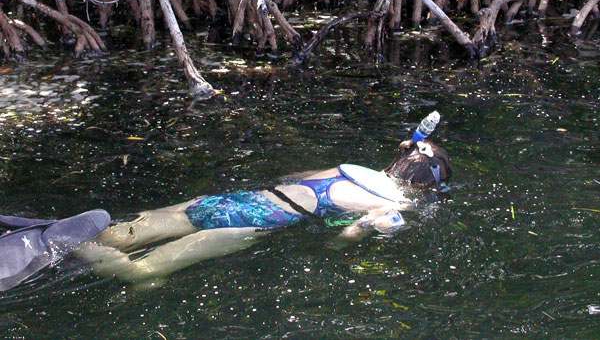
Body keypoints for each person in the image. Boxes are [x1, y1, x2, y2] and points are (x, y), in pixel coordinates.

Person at [75, 131, 452, 286]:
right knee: (140, 274)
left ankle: (75, 242)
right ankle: (86, 254)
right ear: (424, 185)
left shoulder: (348, 168)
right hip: (252, 224)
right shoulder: (393, 203)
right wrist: (342, 244)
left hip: (238, 201)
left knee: (114, 235)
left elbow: (294, 175)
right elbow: (349, 234)